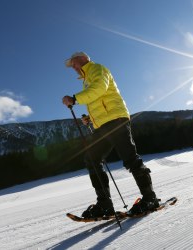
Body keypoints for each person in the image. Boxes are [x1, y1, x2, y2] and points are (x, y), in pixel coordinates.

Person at [62, 52, 158, 218]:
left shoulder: (97, 69)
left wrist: (75, 99)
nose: (74, 68)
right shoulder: (86, 80)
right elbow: (98, 101)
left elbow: (99, 89)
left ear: (82, 59)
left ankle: (150, 198)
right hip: (102, 125)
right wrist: (90, 120)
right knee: (92, 159)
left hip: (116, 120)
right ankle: (105, 204)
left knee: (130, 158)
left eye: (74, 64)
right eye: (72, 66)